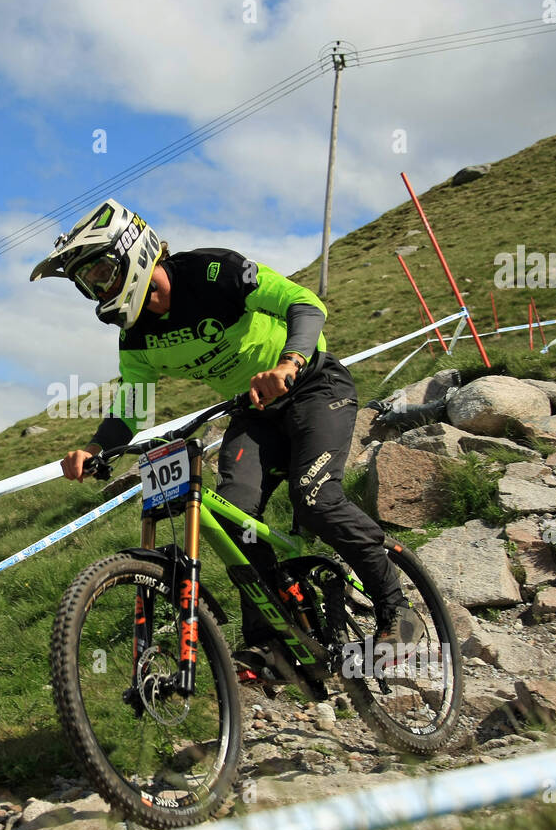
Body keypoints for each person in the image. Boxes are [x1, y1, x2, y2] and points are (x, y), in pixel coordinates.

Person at [30, 199, 418, 676]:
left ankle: (395, 607)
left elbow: (306, 305)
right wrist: (93, 449)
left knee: (314, 498)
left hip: (314, 386)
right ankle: (271, 641)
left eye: (103, 272)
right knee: (235, 516)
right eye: (89, 284)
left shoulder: (213, 271)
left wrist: (287, 364)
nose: (100, 289)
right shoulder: (136, 337)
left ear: (134, 251)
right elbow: (133, 403)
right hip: (252, 413)